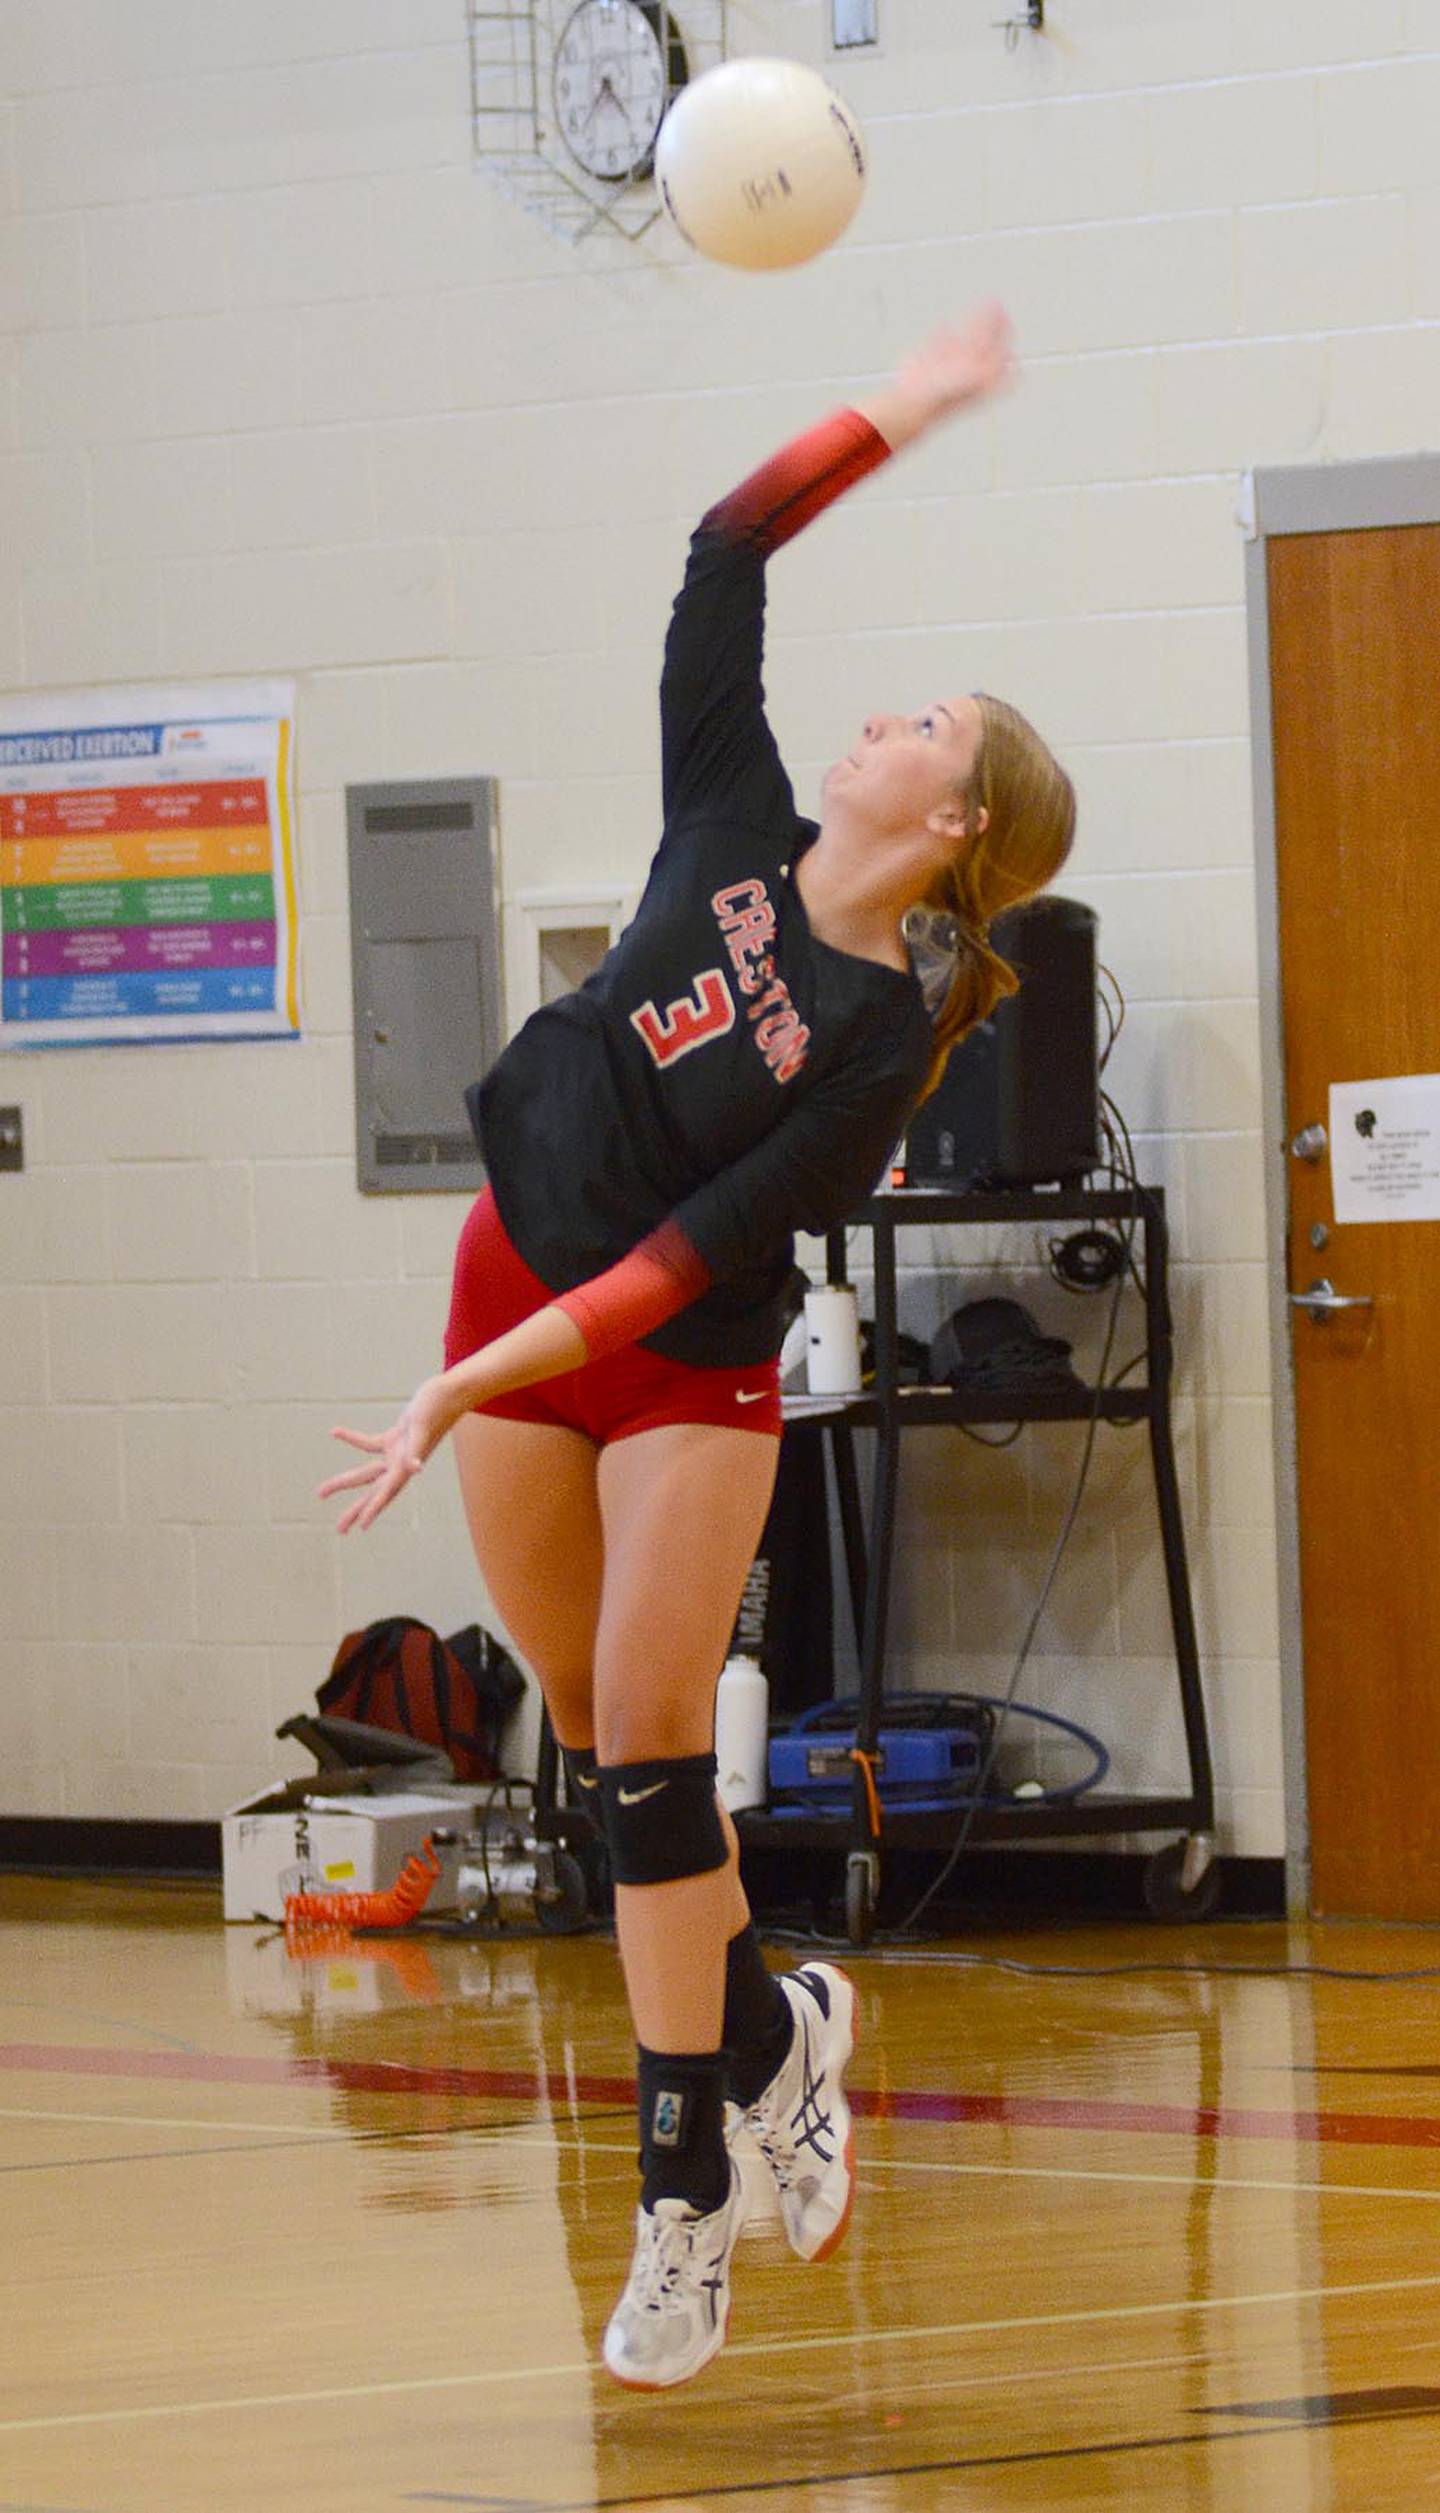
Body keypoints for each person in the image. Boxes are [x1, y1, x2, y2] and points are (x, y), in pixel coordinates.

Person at [319, 301, 1076, 2392]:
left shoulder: (879, 1049)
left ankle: (685, 2208)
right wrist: (899, 413)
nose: (882, 719)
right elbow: (725, 550)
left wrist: (468, 1388)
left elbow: (682, 1264)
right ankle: (781, 2033)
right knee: (599, 1762)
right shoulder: (729, 805)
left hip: (675, 1362)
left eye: (926, 718)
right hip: (508, 1282)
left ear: (959, 821)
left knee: (658, 1752)